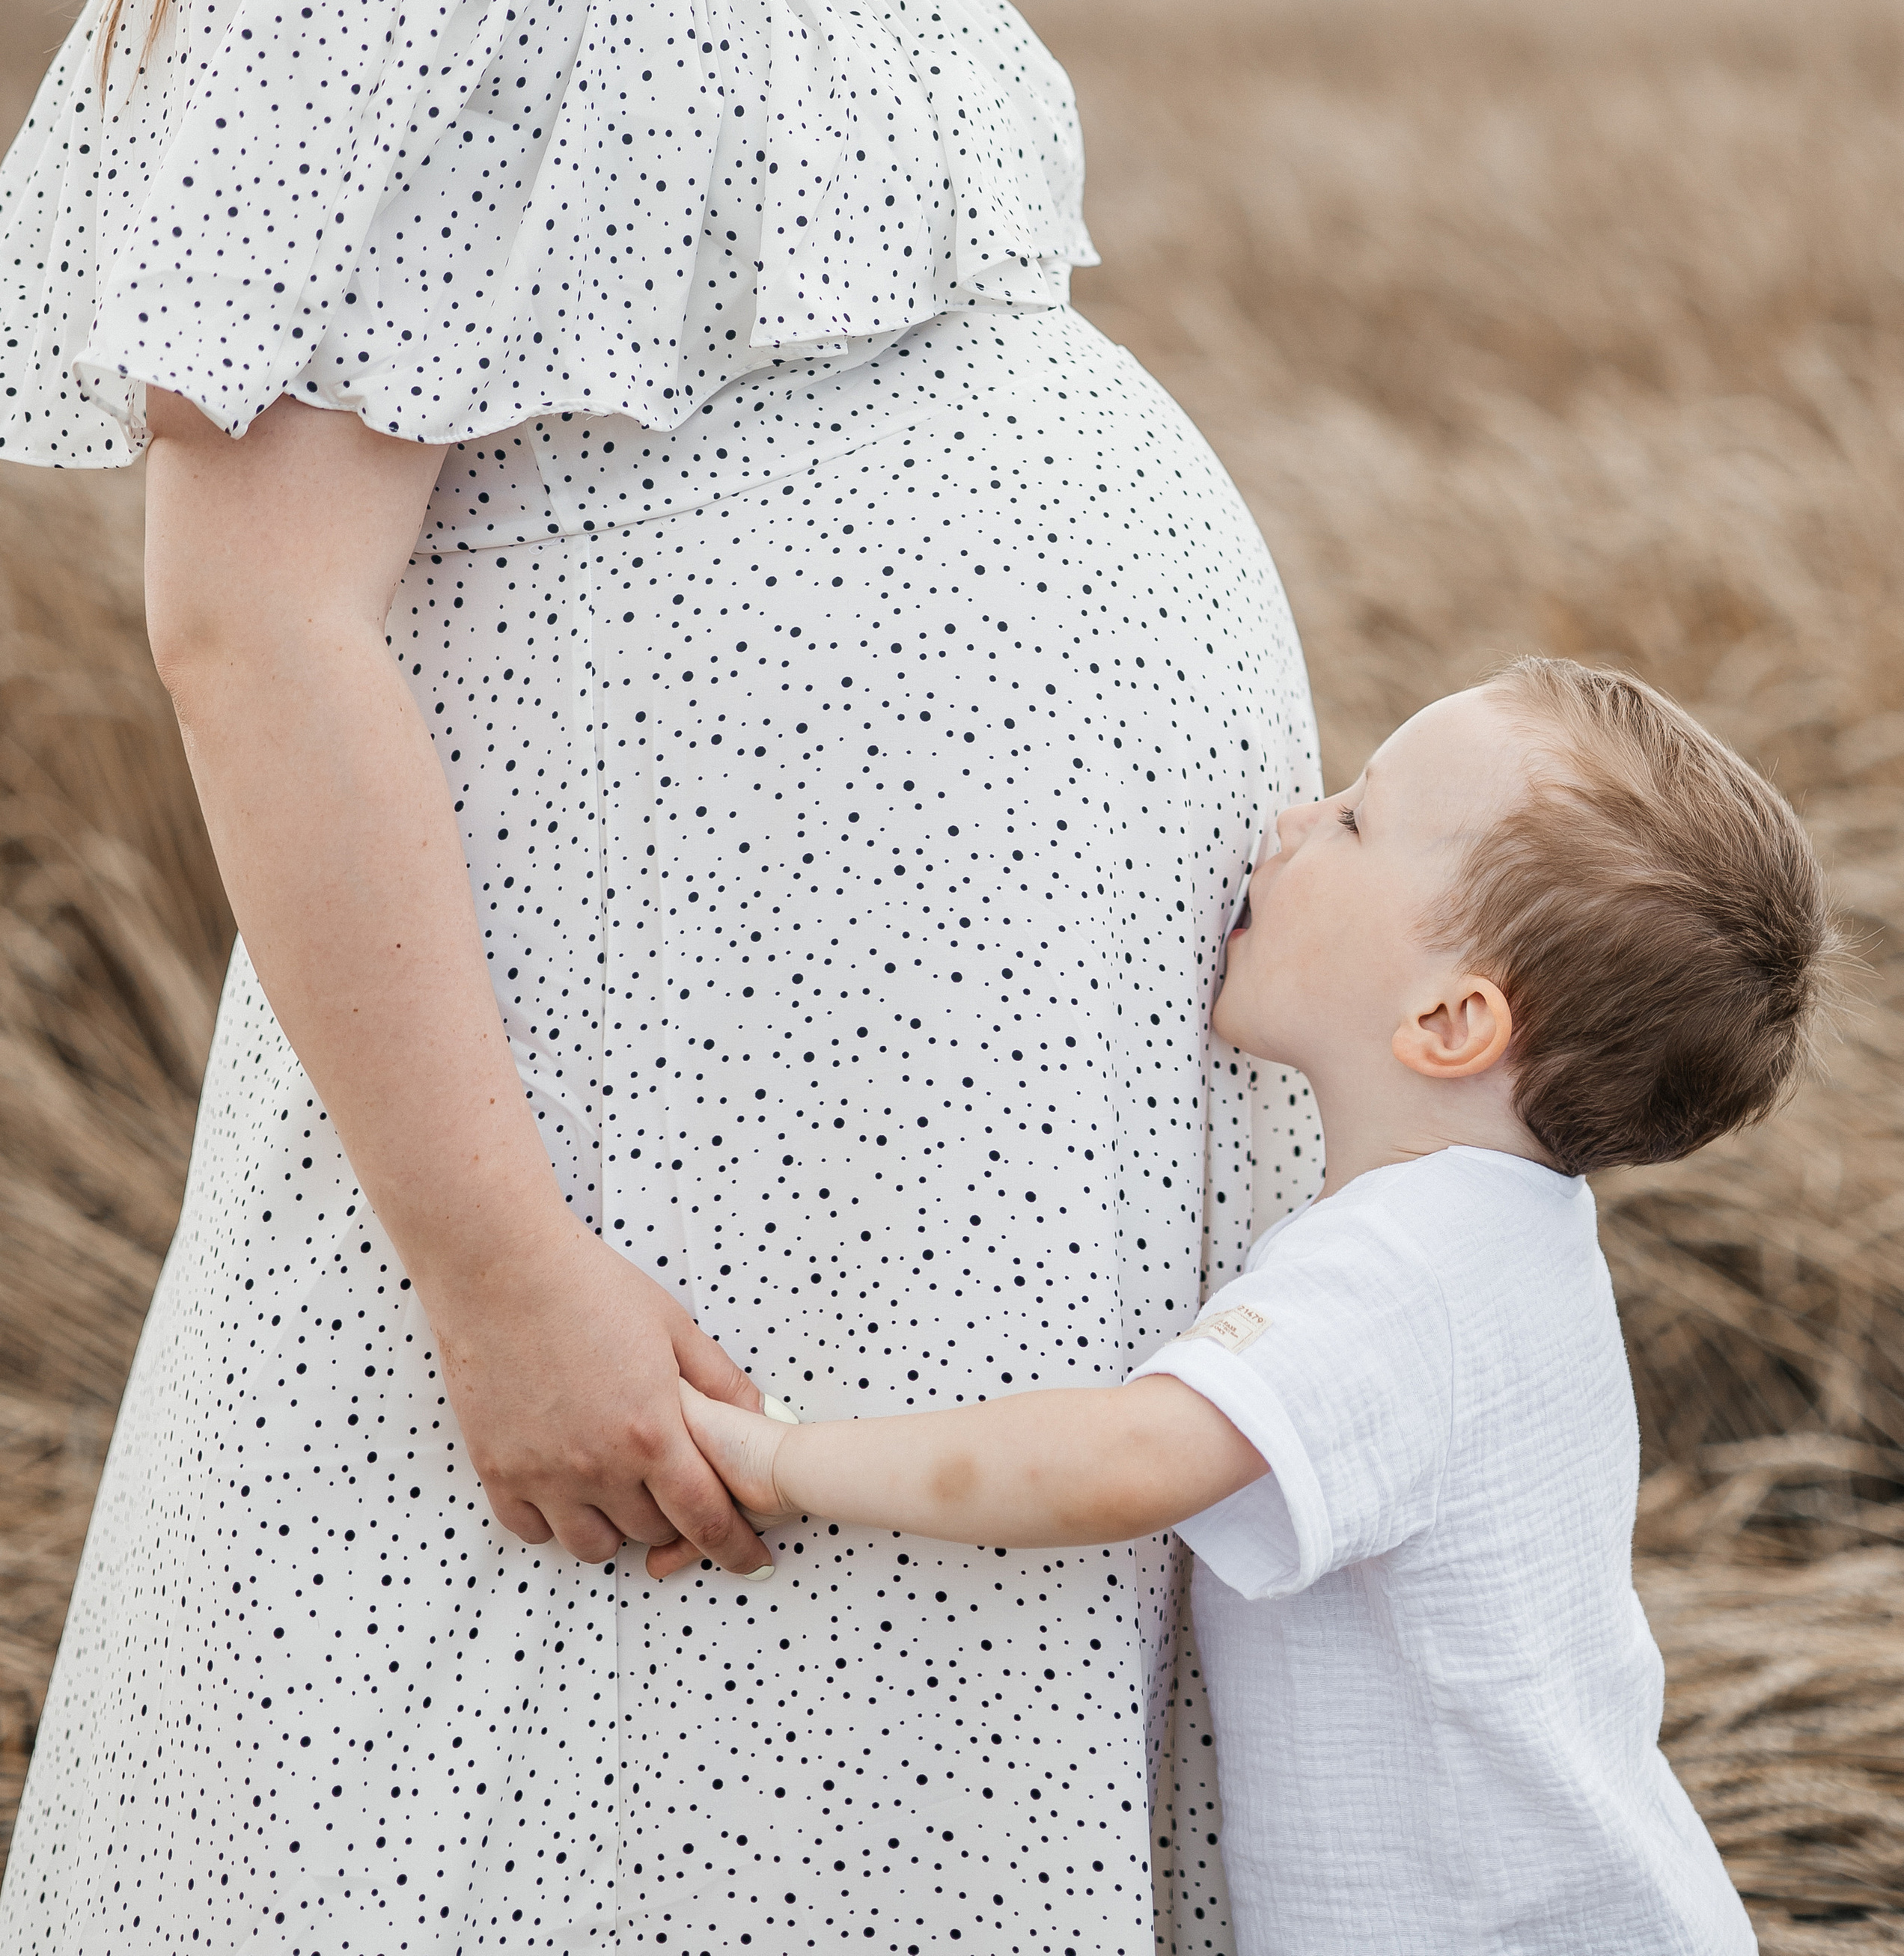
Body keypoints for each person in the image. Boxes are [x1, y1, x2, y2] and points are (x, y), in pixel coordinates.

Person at [0, 0, 1333, 1954]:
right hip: (669, 1134)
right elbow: (256, 629)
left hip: (954, 1120)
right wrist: (499, 1273)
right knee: (625, 1791)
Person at [680, 658, 1835, 1956]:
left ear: (1450, 1021)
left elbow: (1125, 1461)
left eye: (1352, 818)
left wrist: (785, 1460)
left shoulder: (1407, 1270)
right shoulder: (1513, 1238)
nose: (1287, 820)